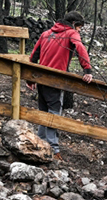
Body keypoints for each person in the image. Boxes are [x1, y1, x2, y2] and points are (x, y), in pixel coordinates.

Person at [28, 11, 93, 160]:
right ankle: (53, 149)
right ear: (75, 24)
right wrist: (87, 70)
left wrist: (30, 78)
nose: (79, 31)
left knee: (43, 112)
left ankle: (40, 144)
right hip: (55, 81)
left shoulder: (46, 34)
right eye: (80, 28)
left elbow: (33, 57)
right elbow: (80, 47)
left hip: (41, 79)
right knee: (54, 113)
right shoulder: (71, 33)